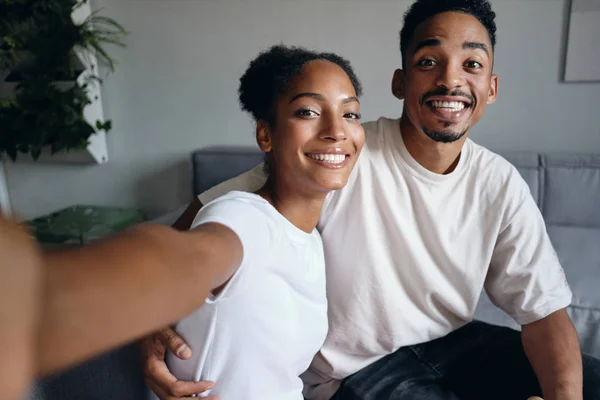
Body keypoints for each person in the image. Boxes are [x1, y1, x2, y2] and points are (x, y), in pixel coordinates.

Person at [141, 0, 600, 400]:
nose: (450, 80)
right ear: (400, 82)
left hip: (454, 341)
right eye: (428, 62)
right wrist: (151, 317)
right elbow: (208, 218)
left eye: (472, 65)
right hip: (354, 368)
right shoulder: (341, 153)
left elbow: (545, 311)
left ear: (491, 89)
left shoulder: (500, 183)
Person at [0, 44, 365, 400]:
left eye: (350, 113)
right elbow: (183, 258)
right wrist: (33, 303)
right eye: (307, 112)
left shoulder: (311, 240)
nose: (336, 130)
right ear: (265, 134)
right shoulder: (244, 217)